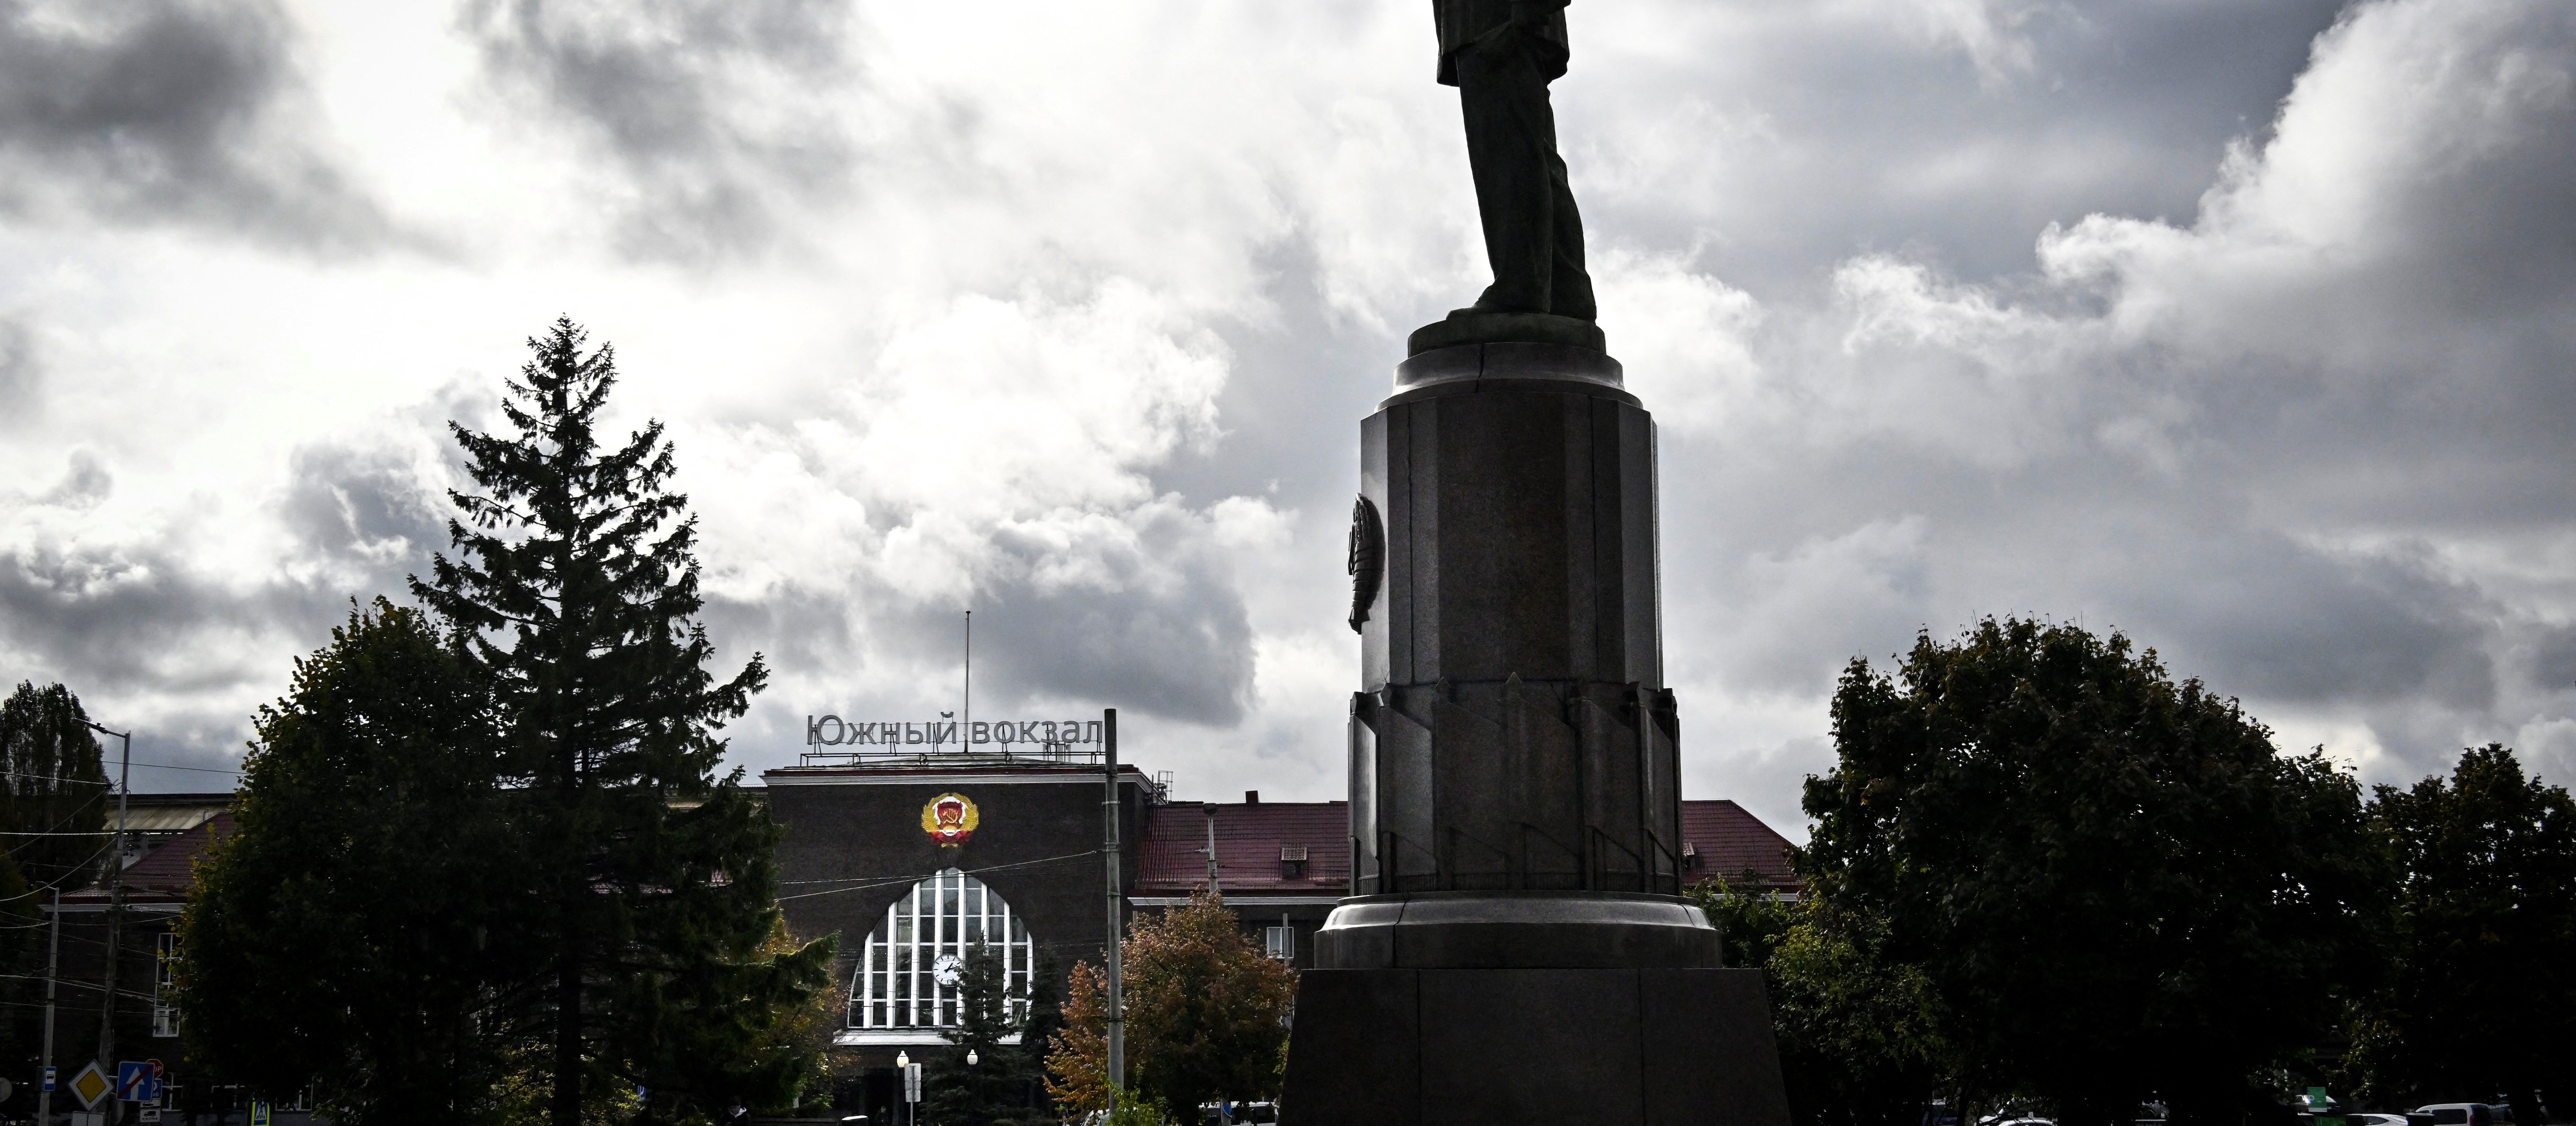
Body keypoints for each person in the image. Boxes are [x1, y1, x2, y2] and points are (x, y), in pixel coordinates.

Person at [1433, 0, 1596, 321]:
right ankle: (1566, 291)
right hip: (1493, 25)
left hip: (1497, 24)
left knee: (1510, 159)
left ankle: (1522, 288)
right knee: (1532, 156)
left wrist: (1527, 13)